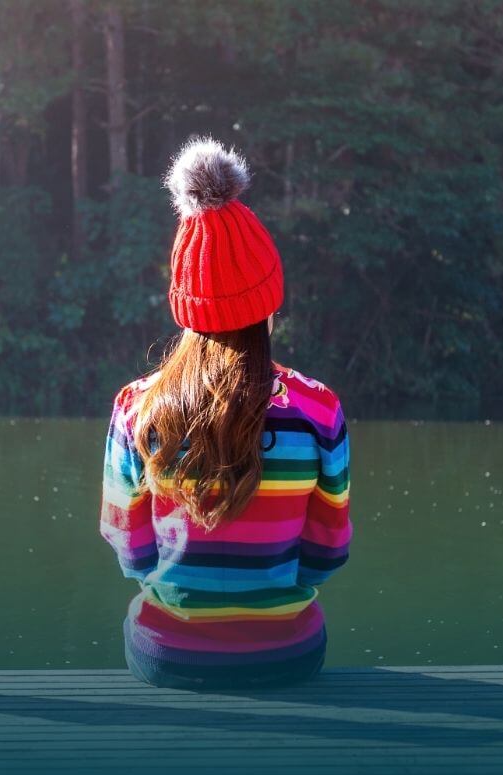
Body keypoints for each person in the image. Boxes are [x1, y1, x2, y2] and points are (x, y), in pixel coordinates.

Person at [98, 138, 352, 690]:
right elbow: (326, 554)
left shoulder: (137, 410)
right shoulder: (317, 411)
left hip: (168, 659)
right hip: (288, 656)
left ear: (185, 301)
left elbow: (132, 555)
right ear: (269, 298)